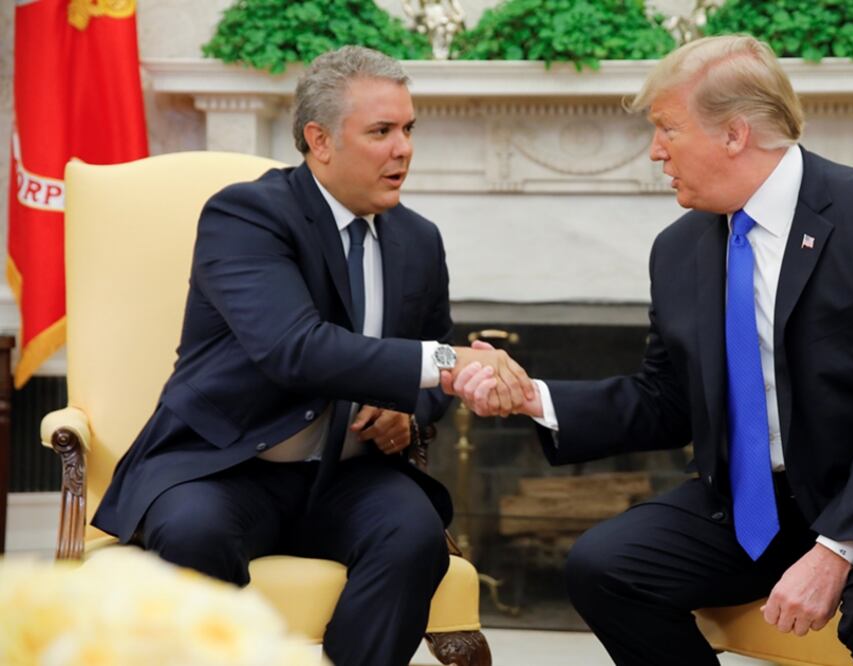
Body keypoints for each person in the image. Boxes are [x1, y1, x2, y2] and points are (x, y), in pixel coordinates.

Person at [450, 35, 853, 666]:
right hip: (766, 505)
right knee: (604, 566)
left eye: (667, 128)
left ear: (734, 135)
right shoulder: (679, 249)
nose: (654, 150)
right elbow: (664, 399)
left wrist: (835, 549)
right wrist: (533, 398)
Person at [92, 46, 531, 666]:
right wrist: (446, 365)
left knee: (413, 537)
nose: (402, 148)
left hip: (347, 476)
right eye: (381, 131)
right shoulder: (246, 215)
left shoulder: (418, 238)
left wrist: (412, 411)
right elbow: (292, 349)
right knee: (194, 532)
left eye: (408, 129)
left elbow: (428, 372)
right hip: (226, 464)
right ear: (318, 140)